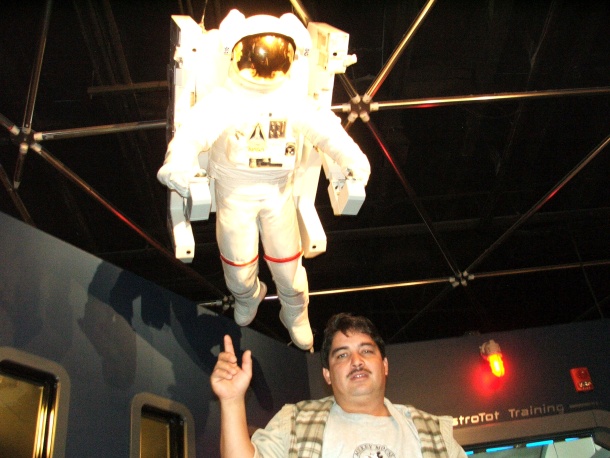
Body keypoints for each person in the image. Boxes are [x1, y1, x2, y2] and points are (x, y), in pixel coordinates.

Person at [157, 10, 370, 351]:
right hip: (234, 197)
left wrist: (353, 160)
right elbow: (192, 134)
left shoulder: (292, 100)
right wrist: (177, 163)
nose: (266, 66)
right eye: (259, 57)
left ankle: (295, 312)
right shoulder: (224, 100)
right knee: (239, 269)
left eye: (274, 58)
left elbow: (329, 132)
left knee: (287, 268)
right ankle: (248, 295)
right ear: (237, 54)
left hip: (277, 195)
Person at [210, 313, 467, 457]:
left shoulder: (433, 432)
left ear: (385, 365)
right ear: (327, 375)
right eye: (342, 355)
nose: (356, 361)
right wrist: (232, 401)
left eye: (366, 351)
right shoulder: (296, 422)